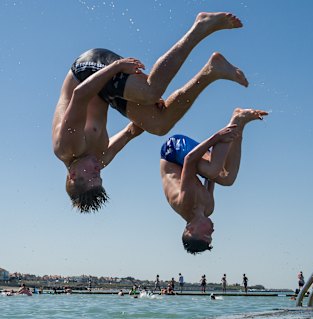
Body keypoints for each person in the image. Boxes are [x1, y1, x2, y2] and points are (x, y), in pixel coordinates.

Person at [52, 12, 248, 213]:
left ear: (72, 175)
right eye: (99, 177)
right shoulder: (100, 160)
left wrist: (116, 67)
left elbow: (80, 94)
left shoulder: (67, 146)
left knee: (149, 91)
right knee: (159, 125)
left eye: (92, 175)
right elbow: (131, 132)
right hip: (105, 94)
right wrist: (147, 115)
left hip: (87, 73)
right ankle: (211, 71)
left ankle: (201, 26)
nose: (97, 171)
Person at [160, 109, 267, 254]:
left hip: (172, 151)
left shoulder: (186, 202)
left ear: (190, 229)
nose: (213, 231)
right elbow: (212, 178)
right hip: (187, 161)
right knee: (227, 178)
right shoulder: (209, 208)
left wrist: (217, 137)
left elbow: (189, 160)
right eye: (212, 236)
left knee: (212, 170)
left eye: (207, 234)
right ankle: (239, 126)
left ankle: (235, 122)